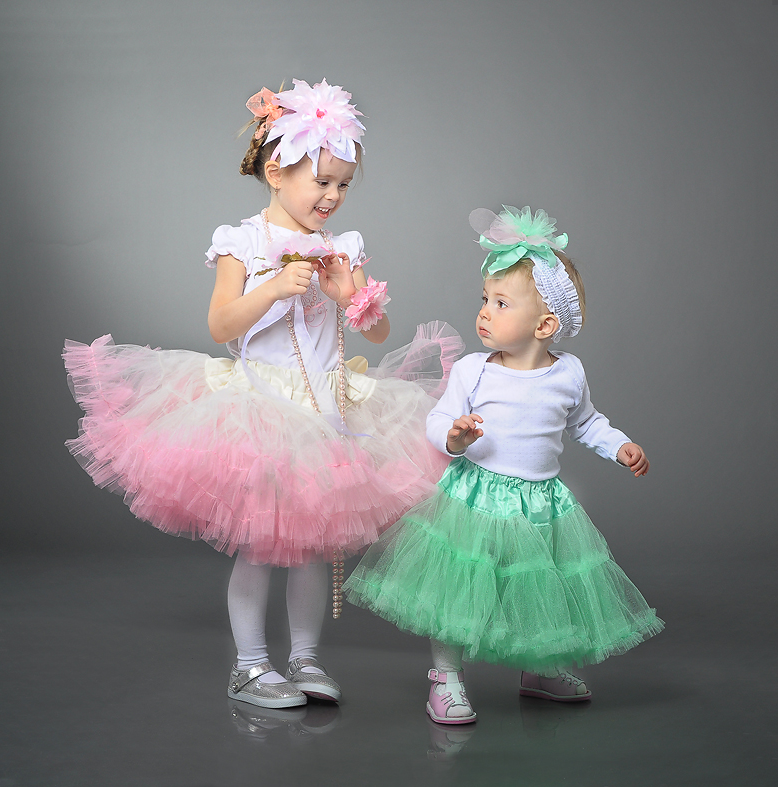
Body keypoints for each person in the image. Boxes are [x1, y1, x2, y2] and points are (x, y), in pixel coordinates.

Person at [63, 79, 462, 710]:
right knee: (260, 544)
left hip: (327, 409)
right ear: (276, 172)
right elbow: (220, 324)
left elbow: (378, 330)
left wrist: (348, 298)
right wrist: (272, 289)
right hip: (259, 410)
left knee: (311, 547)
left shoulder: (342, 248)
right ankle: (249, 666)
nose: (332, 197)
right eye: (321, 182)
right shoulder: (242, 242)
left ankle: (305, 660)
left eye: (343, 185)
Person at [344, 205, 664, 724]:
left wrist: (619, 445)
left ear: (545, 324)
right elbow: (439, 419)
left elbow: (586, 422)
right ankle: (446, 677)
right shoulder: (474, 370)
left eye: (500, 303)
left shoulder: (568, 374)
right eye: (484, 300)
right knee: (457, 588)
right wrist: (453, 437)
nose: (485, 313)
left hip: (541, 503)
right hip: (476, 498)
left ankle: (539, 666)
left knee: (538, 586)